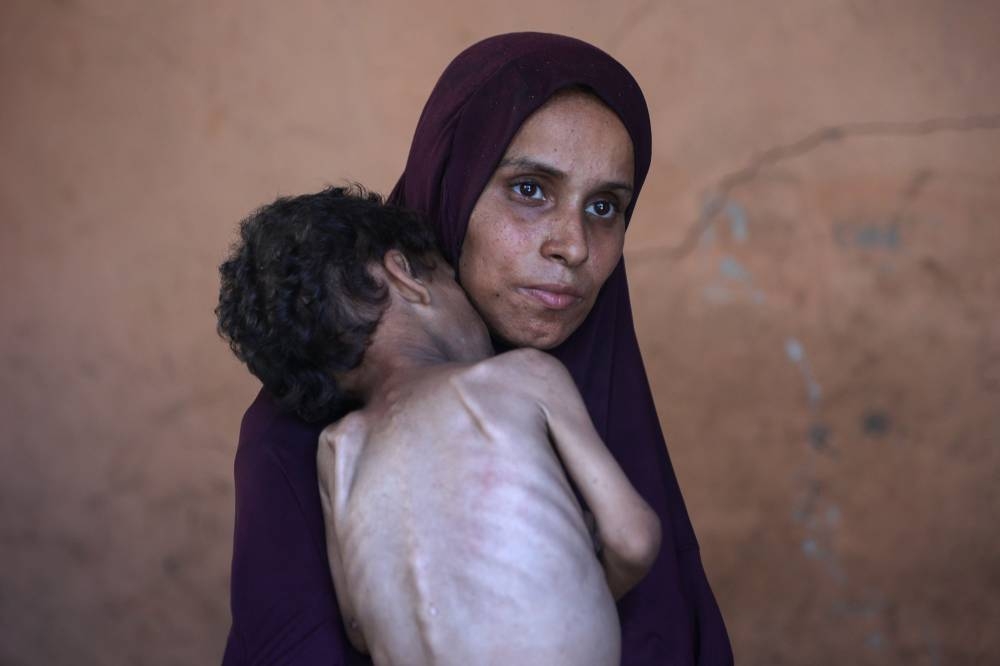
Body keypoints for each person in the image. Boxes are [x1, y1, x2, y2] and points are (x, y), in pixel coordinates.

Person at [219, 32, 732, 666]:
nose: (572, 245)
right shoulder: (291, 439)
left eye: (605, 206)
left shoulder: (604, 387)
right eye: (530, 189)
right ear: (453, 185)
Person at [218, 185, 662, 665]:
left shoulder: (338, 451)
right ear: (404, 273)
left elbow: (358, 627)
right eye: (453, 280)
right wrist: (571, 580)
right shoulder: (522, 377)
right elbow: (632, 540)